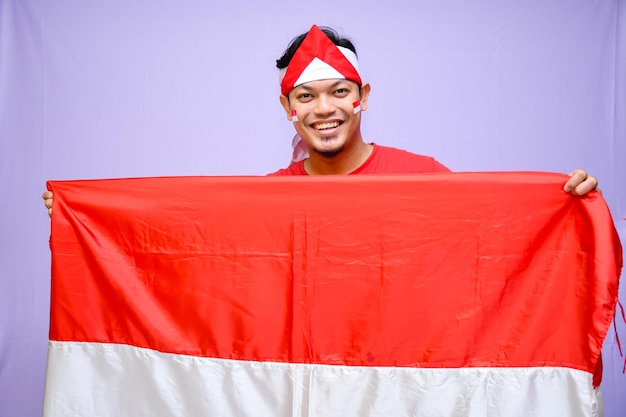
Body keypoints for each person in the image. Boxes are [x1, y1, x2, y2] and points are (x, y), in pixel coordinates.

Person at [41, 24, 598, 215]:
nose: (324, 109)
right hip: (304, 381)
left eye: (339, 92)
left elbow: (487, 242)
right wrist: (86, 216)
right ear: (287, 109)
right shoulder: (267, 198)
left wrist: (560, 203)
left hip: (401, 380)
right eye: (306, 97)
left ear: (363, 97)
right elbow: (191, 263)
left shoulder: (423, 177)